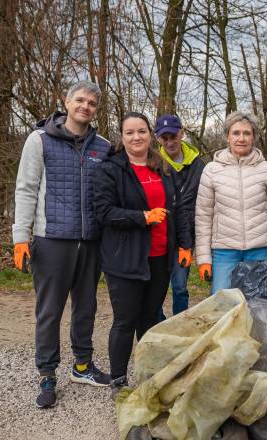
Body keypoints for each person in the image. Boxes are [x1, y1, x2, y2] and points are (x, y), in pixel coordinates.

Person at [12, 80, 112, 409]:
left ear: (96, 109)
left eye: (92, 103)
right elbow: (26, 188)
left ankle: (82, 365)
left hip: (90, 242)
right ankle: (47, 373)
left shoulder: (103, 147)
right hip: (51, 239)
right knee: (50, 311)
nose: (85, 106)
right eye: (79, 100)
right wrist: (20, 237)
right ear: (66, 103)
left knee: (86, 308)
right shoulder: (39, 140)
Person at [93, 112, 177, 392]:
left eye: (141, 131)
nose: (136, 137)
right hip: (125, 258)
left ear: (150, 134)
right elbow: (104, 212)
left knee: (150, 317)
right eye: (129, 132)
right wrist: (143, 217)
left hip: (160, 256)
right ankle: (118, 379)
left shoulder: (161, 166)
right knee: (125, 319)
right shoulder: (111, 168)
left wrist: (184, 244)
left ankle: (149, 373)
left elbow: (177, 211)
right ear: (121, 136)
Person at [195, 111, 267, 294]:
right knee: (222, 306)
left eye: (247, 133)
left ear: (254, 137)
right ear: (227, 137)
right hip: (224, 251)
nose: (241, 138)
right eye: (236, 133)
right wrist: (204, 258)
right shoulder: (211, 170)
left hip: (260, 250)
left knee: (258, 306)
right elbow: (203, 217)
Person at [155, 114, 204, 319]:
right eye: (164, 138)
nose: (169, 142)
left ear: (181, 134)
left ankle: (180, 327)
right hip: (160, 235)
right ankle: (158, 325)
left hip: (186, 236)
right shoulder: (154, 163)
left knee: (180, 286)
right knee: (155, 289)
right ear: (158, 139)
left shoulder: (198, 164)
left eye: (173, 136)